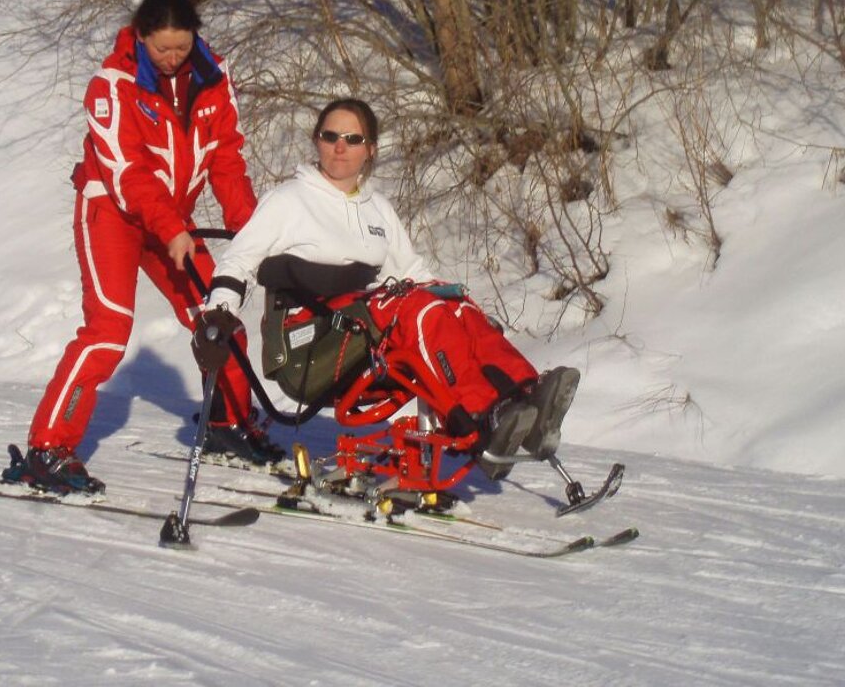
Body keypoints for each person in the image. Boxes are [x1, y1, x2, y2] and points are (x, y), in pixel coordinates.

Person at [194, 98, 580, 480]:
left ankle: (525, 397)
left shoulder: (377, 208)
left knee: (456, 306)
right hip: (310, 344)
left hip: (363, 328)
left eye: (352, 138)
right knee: (418, 310)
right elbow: (238, 259)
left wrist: (450, 300)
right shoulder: (289, 200)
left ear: (370, 149)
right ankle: (479, 417)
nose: (340, 146)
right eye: (330, 136)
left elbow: (412, 271)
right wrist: (220, 311)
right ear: (317, 141)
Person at [4, 0, 281, 495]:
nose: (174, 59)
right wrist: (171, 227)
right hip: (112, 211)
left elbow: (226, 160)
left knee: (219, 319)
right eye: (162, 50)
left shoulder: (214, 78)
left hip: (171, 220)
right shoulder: (113, 85)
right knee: (108, 330)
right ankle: (49, 447)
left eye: (182, 47)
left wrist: (254, 232)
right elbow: (127, 172)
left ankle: (227, 424)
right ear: (141, 37)